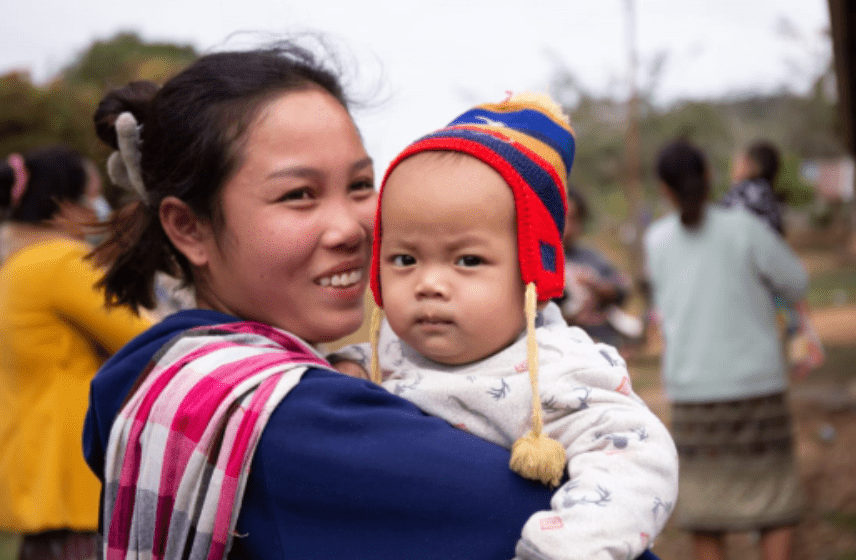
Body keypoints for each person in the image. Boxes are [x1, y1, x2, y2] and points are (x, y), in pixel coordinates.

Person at [80, 46, 665, 560]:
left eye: (361, 186)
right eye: (299, 195)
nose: (352, 229)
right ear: (191, 228)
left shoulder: (165, 376)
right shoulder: (300, 423)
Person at [332, 93, 677, 560]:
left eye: (468, 260)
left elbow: (640, 463)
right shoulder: (381, 354)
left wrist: (559, 548)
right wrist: (345, 371)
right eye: (405, 259)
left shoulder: (559, 372)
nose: (429, 283)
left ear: (531, 273)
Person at [644, 139, 809, 560]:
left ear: (664, 190)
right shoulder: (745, 229)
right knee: (774, 503)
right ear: (710, 176)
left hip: (693, 391)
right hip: (757, 385)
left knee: (707, 513)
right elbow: (796, 283)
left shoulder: (656, 241)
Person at [0, 147, 150, 560]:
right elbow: (146, 339)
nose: (98, 209)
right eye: (92, 196)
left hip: (39, 478)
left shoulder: (16, 266)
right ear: (64, 206)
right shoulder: (58, 262)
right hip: (75, 481)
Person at [556, 187, 641, 348]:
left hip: (597, 341)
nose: (567, 227)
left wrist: (599, 288)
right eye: (562, 218)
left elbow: (622, 289)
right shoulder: (539, 261)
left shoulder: (591, 259)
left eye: (574, 219)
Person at [720, 140, 785, 236]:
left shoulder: (742, 194)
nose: (733, 168)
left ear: (751, 165)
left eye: (738, 162)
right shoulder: (769, 197)